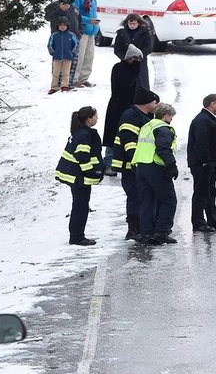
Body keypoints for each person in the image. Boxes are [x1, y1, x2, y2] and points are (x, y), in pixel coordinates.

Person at [114, 88, 160, 240]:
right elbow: (129, 142)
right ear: (146, 103)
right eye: (155, 102)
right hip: (131, 166)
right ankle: (133, 229)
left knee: (144, 196)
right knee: (135, 196)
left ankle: (144, 226)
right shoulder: (130, 116)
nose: (156, 104)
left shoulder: (144, 116)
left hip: (141, 165)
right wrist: (136, 161)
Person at [54, 106, 103, 246]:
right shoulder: (84, 135)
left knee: (80, 205)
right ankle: (77, 237)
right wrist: (91, 172)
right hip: (78, 177)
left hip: (75, 176)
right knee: (80, 206)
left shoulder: (81, 132)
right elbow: (82, 156)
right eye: (95, 116)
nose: (97, 119)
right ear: (89, 119)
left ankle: (77, 235)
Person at [133, 103, 179, 245]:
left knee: (147, 201)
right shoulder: (163, 128)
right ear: (166, 115)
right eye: (171, 116)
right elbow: (163, 148)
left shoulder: (147, 126)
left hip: (141, 166)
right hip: (155, 167)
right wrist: (171, 166)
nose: (171, 119)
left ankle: (146, 233)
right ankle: (161, 232)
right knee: (168, 200)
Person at [188, 94, 216, 232]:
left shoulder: (208, 118)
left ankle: (214, 220)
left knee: (209, 192)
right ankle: (198, 222)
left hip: (209, 163)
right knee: (201, 192)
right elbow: (202, 142)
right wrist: (206, 161)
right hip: (202, 163)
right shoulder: (203, 120)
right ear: (212, 104)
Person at [102, 44, 144, 175]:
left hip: (130, 105)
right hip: (117, 105)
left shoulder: (135, 69)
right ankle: (108, 163)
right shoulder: (119, 68)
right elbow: (125, 84)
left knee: (128, 134)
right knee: (113, 134)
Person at [45, 0, 82, 85]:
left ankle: (68, 84)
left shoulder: (74, 8)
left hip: (73, 39)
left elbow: (80, 21)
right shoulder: (54, 5)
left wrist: (80, 32)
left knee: (73, 62)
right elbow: (48, 17)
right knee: (58, 62)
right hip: (59, 38)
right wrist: (60, 10)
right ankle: (56, 84)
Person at [71, 0, 101, 88]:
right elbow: (75, 14)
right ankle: (74, 79)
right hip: (82, 30)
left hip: (91, 31)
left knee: (89, 57)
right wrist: (89, 21)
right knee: (80, 56)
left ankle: (84, 79)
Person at [112, 14, 153, 90]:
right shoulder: (121, 33)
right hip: (126, 63)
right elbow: (117, 49)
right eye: (130, 23)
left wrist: (140, 55)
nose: (132, 25)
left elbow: (148, 47)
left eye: (134, 23)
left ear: (138, 23)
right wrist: (125, 58)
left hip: (140, 62)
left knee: (142, 83)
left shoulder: (145, 33)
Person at [47, 18, 79, 94]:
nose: (62, 27)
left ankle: (65, 86)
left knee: (66, 72)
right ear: (57, 26)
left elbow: (76, 44)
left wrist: (73, 53)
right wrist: (52, 52)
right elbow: (49, 45)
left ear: (67, 26)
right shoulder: (54, 35)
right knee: (56, 72)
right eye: (60, 25)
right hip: (57, 57)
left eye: (64, 25)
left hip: (68, 57)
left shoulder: (71, 35)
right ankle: (54, 87)